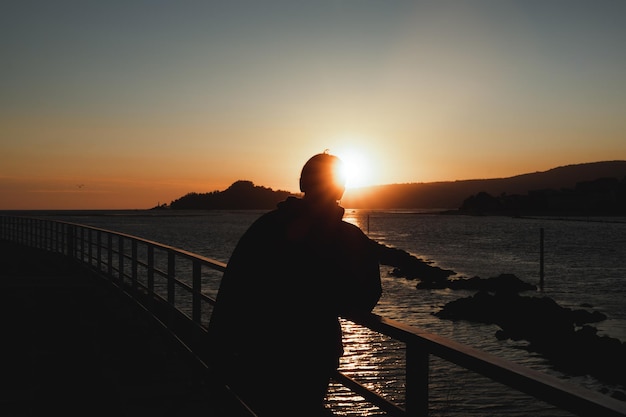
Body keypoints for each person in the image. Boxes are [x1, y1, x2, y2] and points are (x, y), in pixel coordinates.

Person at [207, 151, 382, 416]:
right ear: (342, 189)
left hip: (258, 349)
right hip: (314, 353)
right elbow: (367, 295)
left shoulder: (265, 227)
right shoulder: (349, 237)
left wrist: (218, 351)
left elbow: (233, 288)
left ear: (302, 185)